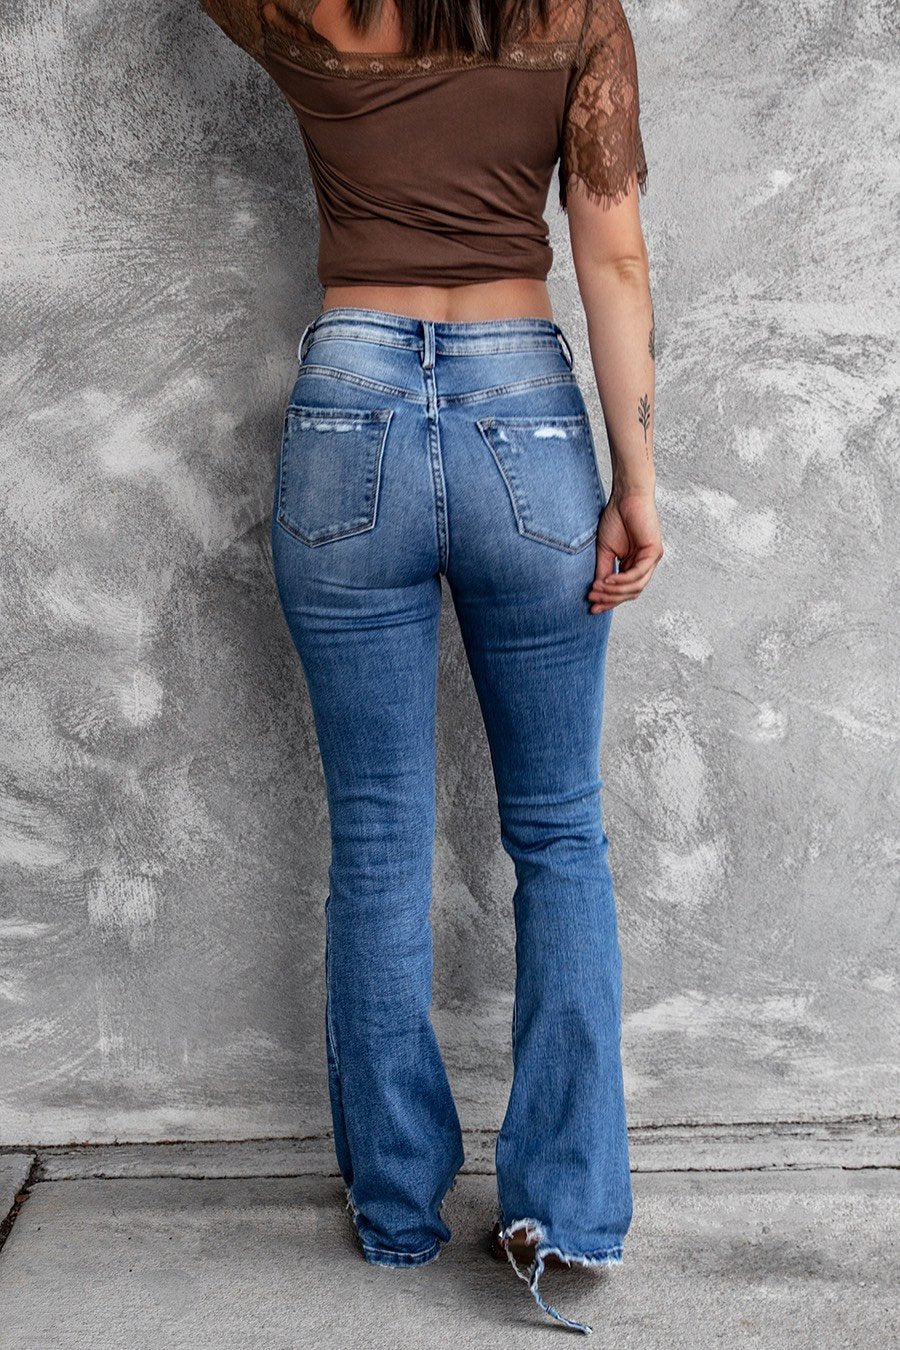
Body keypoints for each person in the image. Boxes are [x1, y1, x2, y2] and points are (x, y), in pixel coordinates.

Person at [197, 0, 662, 1333]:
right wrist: (637, 481)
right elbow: (614, 252)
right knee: (560, 832)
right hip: (529, 418)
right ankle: (563, 1210)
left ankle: (399, 1205)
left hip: (351, 408)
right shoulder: (577, 16)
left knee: (381, 836)